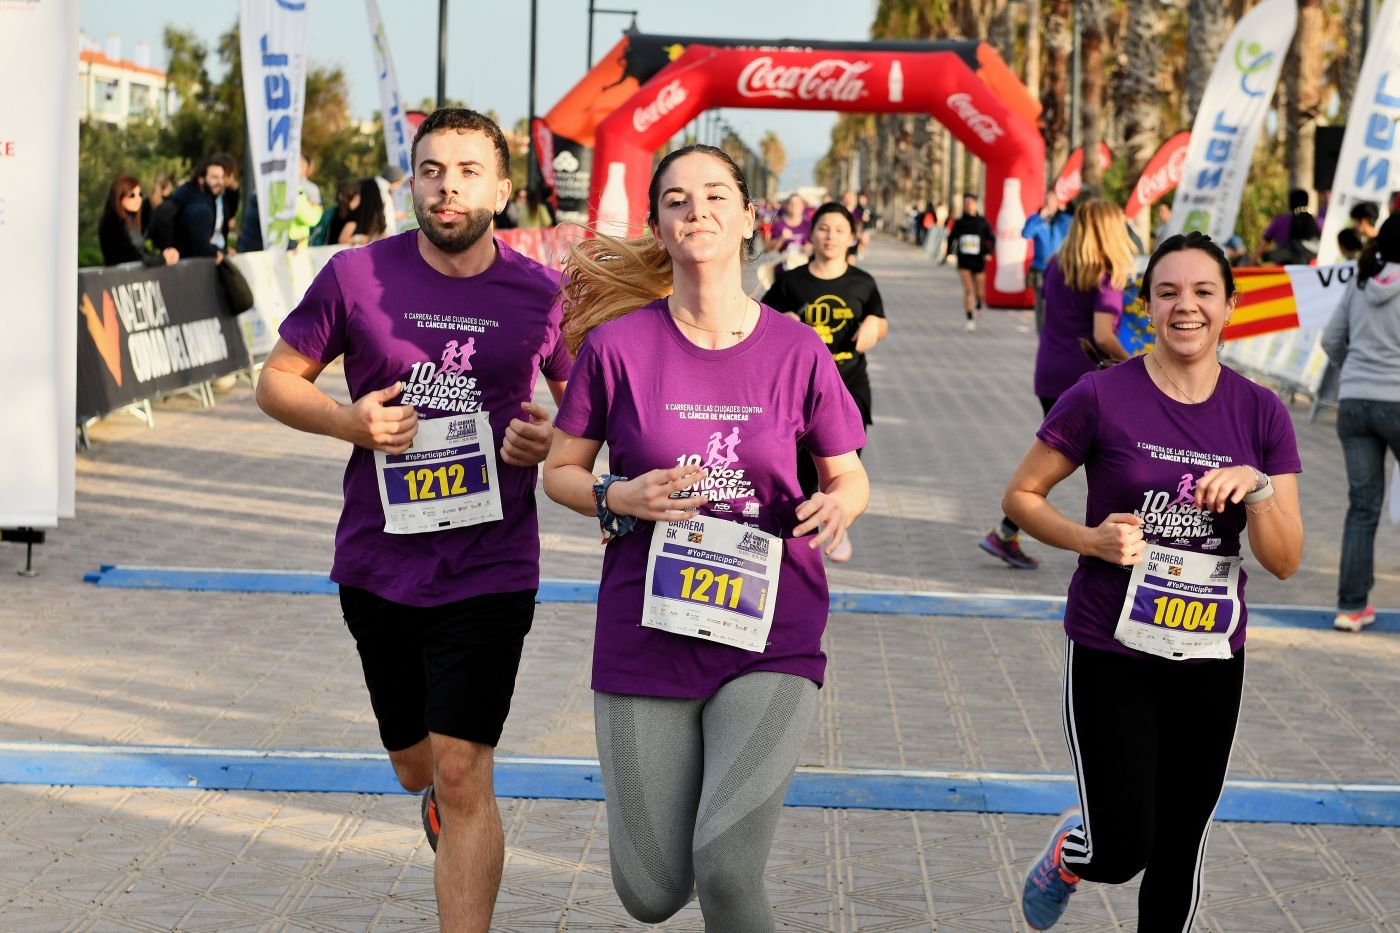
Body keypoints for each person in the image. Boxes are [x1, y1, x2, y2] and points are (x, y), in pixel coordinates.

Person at [254, 108, 570, 932]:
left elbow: (586, 418)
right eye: (432, 170)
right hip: (378, 565)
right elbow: (276, 381)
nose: (448, 186)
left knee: (467, 772)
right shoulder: (357, 276)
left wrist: (551, 441)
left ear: (504, 188)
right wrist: (350, 423)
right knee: (416, 765)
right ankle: (430, 793)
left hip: (492, 565)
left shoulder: (543, 296)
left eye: (469, 170)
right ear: (411, 184)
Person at [541, 144, 869, 930]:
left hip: (771, 629)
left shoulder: (798, 350)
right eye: (679, 199)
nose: (699, 209)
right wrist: (618, 494)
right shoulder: (618, 350)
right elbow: (560, 471)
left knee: (726, 865)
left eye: (717, 194)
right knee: (651, 892)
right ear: (659, 223)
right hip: (644, 629)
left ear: (749, 218)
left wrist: (840, 507)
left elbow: (849, 473)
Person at [1005, 231, 1303, 931]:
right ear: (1147, 306)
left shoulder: (1262, 413)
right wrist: (1090, 539)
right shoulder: (1101, 396)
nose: (1186, 307)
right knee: (1122, 845)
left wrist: (1258, 490)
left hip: (1209, 654)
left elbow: (1285, 557)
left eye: (1204, 292)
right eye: (1168, 292)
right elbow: (1022, 495)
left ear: (1231, 307)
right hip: (1114, 648)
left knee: (1178, 846)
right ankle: (1071, 853)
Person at [763, 200, 888, 562]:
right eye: (823, 229)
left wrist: (872, 326)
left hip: (850, 385)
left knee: (844, 464)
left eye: (839, 230)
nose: (830, 236)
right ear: (811, 233)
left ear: (852, 238)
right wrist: (783, 320)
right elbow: (761, 318)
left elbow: (881, 321)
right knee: (802, 468)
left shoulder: (863, 282)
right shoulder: (791, 281)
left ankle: (837, 522)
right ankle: (798, 536)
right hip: (801, 392)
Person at [1320, 215, 1400, 633]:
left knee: (1362, 508)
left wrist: (1352, 373)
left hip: (1353, 403)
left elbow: (1331, 339)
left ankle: (1351, 608)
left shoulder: (1361, 280)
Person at [150, 156, 231, 262]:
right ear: (201, 179)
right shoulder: (201, 208)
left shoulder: (183, 196)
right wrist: (217, 251)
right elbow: (200, 247)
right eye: (215, 177)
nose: (220, 182)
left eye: (222, 177)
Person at [1022, 190, 1074, 333]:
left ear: (1057, 203)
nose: (1049, 204)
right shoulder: (1036, 219)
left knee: (1059, 304)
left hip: (1061, 269)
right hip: (1040, 269)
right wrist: (1040, 218)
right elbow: (1026, 233)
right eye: (1047, 201)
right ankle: (1043, 336)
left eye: (1052, 201)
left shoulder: (1065, 220)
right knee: (1041, 304)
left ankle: (1058, 332)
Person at [98, 174, 178, 267]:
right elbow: (130, 256)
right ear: (119, 196)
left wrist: (165, 256)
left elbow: (142, 252)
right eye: (132, 195)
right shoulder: (112, 222)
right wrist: (162, 259)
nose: (138, 199)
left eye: (140, 194)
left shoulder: (129, 221)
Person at [947, 193, 994, 331]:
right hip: (964, 261)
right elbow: (951, 239)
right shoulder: (960, 222)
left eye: (970, 203)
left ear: (975, 204)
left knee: (980, 293)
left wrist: (989, 253)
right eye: (966, 203)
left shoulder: (982, 222)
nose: (968, 205)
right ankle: (969, 318)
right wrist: (948, 253)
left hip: (978, 261)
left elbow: (992, 239)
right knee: (968, 291)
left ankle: (979, 304)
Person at [1258, 187, 1310, 256]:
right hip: (1308, 265)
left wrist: (1250, 263)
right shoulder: (1314, 223)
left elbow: (1263, 244)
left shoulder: (1279, 222)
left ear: (1290, 202)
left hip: (1283, 265)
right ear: (1306, 202)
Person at [336, 178, 388, 246]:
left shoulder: (355, 217)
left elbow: (342, 239)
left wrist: (358, 238)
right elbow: (342, 239)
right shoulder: (377, 217)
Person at [325, 181, 362, 246]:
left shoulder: (333, 212)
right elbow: (343, 240)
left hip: (326, 250)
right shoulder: (353, 217)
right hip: (336, 252)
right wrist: (359, 238)